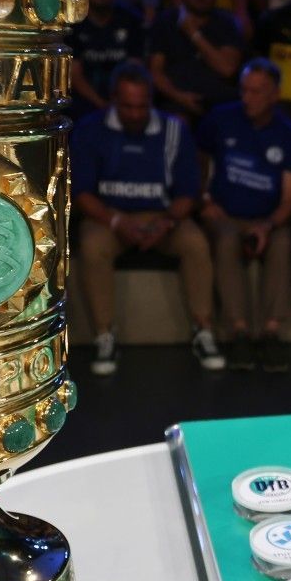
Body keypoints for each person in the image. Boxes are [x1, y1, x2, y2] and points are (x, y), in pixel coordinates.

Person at [71, 61, 223, 375]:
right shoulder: (90, 129)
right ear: (114, 99)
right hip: (109, 217)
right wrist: (117, 222)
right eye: (128, 106)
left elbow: (188, 191)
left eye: (142, 106)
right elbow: (82, 193)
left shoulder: (174, 129)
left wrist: (166, 223)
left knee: (195, 243)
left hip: (162, 215)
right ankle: (104, 336)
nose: (135, 114)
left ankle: (203, 330)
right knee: (92, 246)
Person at [194, 59, 291, 371]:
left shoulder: (288, 133)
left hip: (267, 216)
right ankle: (238, 331)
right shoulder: (221, 120)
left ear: (275, 94)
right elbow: (198, 162)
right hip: (224, 214)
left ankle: (271, 332)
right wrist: (204, 198)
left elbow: (289, 198)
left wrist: (267, 226)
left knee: (282, 241)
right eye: (244, 90)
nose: (247, 98)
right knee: (227, 239)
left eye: (257, 92)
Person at [150, 0, 245, 121]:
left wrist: (193, 33)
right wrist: (180, 97)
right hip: (176, 104)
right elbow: (155, 72)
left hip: (221, 107)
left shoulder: (228, 23)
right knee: (177, 122)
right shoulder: (165, 21)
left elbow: (227, 68)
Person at [66, 0, 146, 119]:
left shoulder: (132, 20)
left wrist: (118, 105)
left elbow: (135, 69)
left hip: (125, 104)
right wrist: (102, 105)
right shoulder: (71, 22)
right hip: (83, 105)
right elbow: (74, 75)